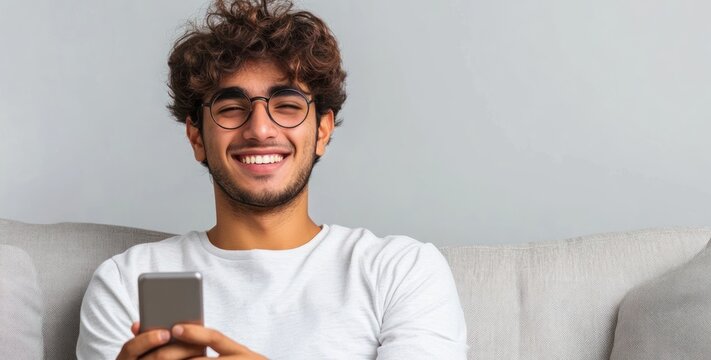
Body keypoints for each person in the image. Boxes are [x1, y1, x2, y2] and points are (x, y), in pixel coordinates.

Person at [75, 0, 468, 358]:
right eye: (231, 107)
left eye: (287, 105)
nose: (260, 129)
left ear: (322, 131)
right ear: (196, 137)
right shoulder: (126, 282)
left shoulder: (401, 271)